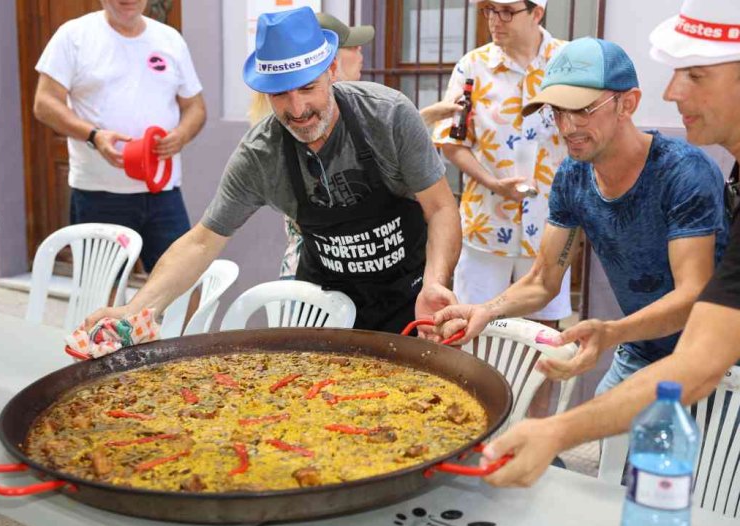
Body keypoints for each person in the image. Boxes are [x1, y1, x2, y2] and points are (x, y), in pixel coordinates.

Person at [436, 0, 740, 487]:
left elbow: (692, 297)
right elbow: (542, 280)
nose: (568, 127)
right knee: (611, 483)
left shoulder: (683, 172)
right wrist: (484, 310)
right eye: (558, 111)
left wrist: (610, 331)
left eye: (583, 110)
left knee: (700, 493)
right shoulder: (573, 178)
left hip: (717, 364)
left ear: (628, 103)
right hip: (638, 352)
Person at [87, 7, 460, 336]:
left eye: (308, 88)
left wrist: (435, 282)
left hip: (408, 299)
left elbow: (441, 208)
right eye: (280, 94)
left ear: (332, 70)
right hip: (322, 305)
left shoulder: (388, 116)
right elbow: (201, 242)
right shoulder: (260, 155)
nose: (297, 110)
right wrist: (135, 309)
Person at [273, 12, 464, 280]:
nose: (361, 52)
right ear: (331, 59)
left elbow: (386, 140)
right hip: (316, 270)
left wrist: (426, 117)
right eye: (352, 46)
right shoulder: (306, 116)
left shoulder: (368, 108)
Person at [33, 0, 206, 272]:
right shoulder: (73, 36)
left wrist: (181, 135)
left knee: (183, 280)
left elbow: (195, 106)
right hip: (99, 193)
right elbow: (44, 103)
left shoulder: (170, 39)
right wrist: (93, 135)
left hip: (163, 191)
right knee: (103, 287)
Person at [433, 0, 572, 331]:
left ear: (537, 13)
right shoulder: (473, 66)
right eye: (489, 10)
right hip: (486, 224)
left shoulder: (567, 61)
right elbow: (452, 141)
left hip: (551, 222)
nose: (495, 20)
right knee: (471, 326)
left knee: (544, 333)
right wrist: (493, 183)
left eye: (507, 11)